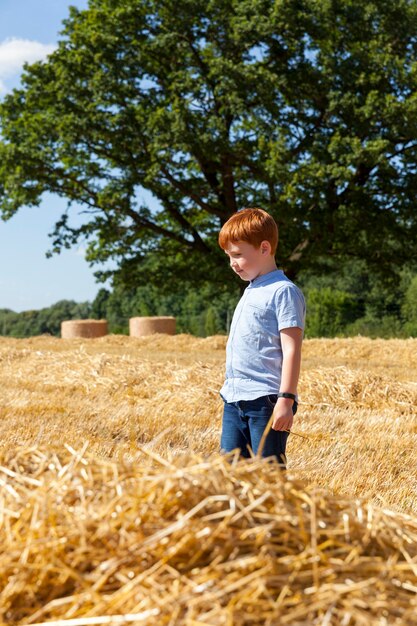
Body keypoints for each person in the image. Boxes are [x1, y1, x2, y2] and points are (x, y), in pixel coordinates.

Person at [218, 208, 306, 466]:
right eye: (228, 256)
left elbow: (292, 350)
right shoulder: (251, 290)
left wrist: (286, 400)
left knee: (267, 475)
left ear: (264, 248)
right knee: (230, 472)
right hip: (234, 399)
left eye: (237, 255)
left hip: (266, 401)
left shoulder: (283, 292)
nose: (232, 263)